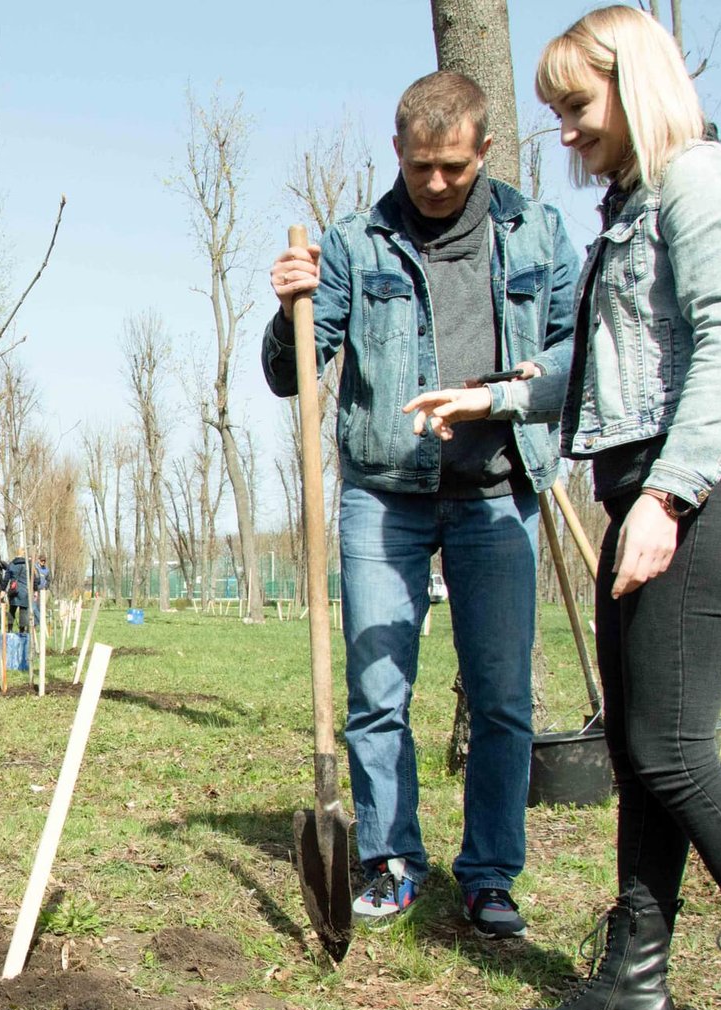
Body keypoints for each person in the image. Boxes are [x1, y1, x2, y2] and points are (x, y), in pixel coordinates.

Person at [406, 7, 721, 1010]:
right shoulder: (633, 209)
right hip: (642, 486)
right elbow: (603, 356)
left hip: (703, 489)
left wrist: (668, 497)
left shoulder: (700, 182)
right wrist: (492, 395)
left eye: (576, 107)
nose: (564, 132)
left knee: (674, 751)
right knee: (636, 753)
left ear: (636, 86)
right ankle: (636, 980)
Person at [262, 70, 582, 938]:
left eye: (452, 166)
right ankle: (393, 859)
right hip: (384, 497)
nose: (435, 183)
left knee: (503, 696)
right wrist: (288, 305)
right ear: (395, 151)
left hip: (496, 493)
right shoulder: (356, 245)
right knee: (377, 693)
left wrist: (511, 393)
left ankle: (489, 877)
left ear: (483, 152)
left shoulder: (538, 236)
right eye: (419, 166)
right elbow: (293, 373)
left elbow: (572, 356)